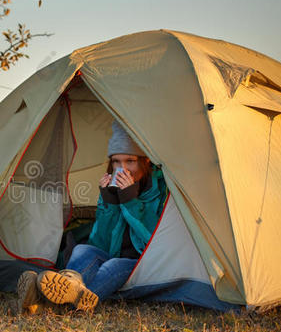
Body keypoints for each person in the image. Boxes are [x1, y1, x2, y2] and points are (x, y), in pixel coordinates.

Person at [17, 120, 168, 313]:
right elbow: (100, 243)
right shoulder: (110, 189)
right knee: (82, 250)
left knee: (113, 265)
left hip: (141, 263)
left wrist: (129, 200)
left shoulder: (161, 190)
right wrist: (110, 202)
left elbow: (154, 240)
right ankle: (66, 287)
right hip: (111, 254)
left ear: (144, 161)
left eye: (130, 161)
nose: (122, 168)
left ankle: (43, 301)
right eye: (116, 162)